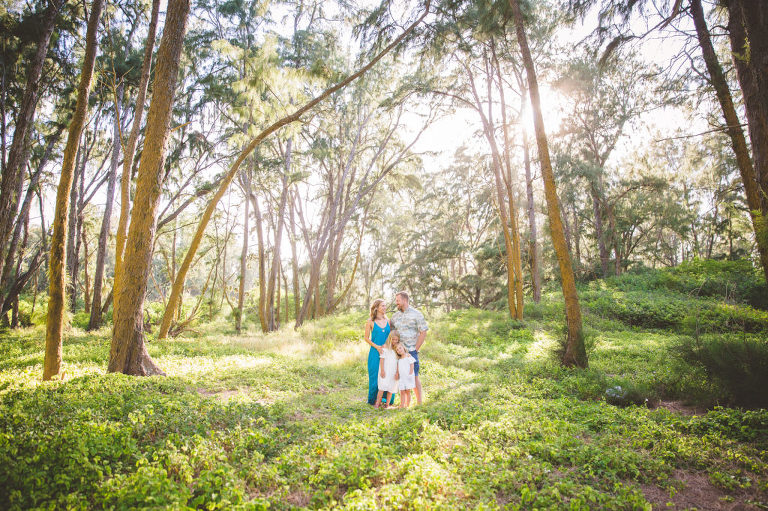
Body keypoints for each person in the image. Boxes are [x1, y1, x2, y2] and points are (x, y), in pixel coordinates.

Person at [390, 291, 428, 405]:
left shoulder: (416, 314)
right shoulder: (395, 316)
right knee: (401, 377)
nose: (396, 302)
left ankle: (419, 403)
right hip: (398, 353)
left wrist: (415, 349)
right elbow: (391, 332)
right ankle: (405, 403)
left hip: (411, 351)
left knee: (414, 376)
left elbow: (423, 331)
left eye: (398, 300)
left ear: (405, 300)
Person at [363, 298, 394, 406]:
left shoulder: (388, 321)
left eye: (385, 306)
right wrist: (377, 347)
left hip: (388, 353)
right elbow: (366, 338)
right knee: (375, 374)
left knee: (387, 374)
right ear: (376, 308)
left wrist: (388, 345)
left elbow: (391, 336)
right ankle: (373, 400)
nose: (385, 308)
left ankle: (386, 400)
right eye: (382, 306)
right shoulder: (370, 321)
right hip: (375, 352)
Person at [375, 331, 400, 409]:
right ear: (390, 339)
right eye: (393, 339)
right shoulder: (385, 347)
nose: (394, 341)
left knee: (391, 388)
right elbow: (382, 359)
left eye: (396, 340)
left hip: (393, 371)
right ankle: (377, 404)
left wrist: (397, 373)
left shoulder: (398, 349)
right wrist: (382, 370)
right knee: (382, 387)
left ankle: (387, 404)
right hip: (385, 370)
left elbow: (400, 361)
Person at [395, 342, 416, 409]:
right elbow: (398, 367)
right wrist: (397, 373)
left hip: (408, 377)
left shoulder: (408, 356)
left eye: (400, 348)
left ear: (403, 347)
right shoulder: (399, 359)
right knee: (402, 392)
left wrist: (410, 373)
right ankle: (402, 404)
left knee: (407, 391)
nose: (399, 350)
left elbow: (412, 364)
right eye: (397, 350)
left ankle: (407, 405)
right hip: (402, 378)